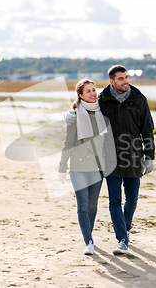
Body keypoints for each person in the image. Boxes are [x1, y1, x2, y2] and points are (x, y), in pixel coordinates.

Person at [65, 65, 155, 255]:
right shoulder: (103, 100)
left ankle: (125, 228)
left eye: (127, 77)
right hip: (110, 159)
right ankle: (122, 240)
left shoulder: (139, 99)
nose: (126, 81)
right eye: (121, 79)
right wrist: (70, 114)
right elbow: (86, 108)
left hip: (133, 157)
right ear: (112, 81)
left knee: (132, 200)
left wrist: (150, 157)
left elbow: (147, 129)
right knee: (115, 201)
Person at [58, 78, 113, 255]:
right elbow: (68, 143)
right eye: (88, 91)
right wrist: (61, 167)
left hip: (97, 167)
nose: (92, 93)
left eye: (93, 89)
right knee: (82, 205)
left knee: (92, 205)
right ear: (80, 95)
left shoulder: (102, 113)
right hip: (77, 167)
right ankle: (88, 240)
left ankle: (89, 234)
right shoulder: (74, 116)